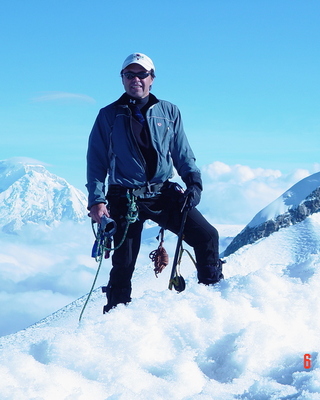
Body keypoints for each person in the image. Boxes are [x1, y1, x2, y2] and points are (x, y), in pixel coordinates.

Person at [86, 52, 224, 312]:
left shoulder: (169, 112)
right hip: (124, 196)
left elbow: (182, 153)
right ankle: (116, 317)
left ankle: (212, 303)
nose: (135, 79)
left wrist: (193, 183)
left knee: (207, 236)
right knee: (124, 261)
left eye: (141, 74)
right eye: (129, 75)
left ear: (152, 79)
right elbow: (96, 161)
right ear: (122, 79)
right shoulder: (108, 115)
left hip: (162, 194)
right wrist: (97, 200)